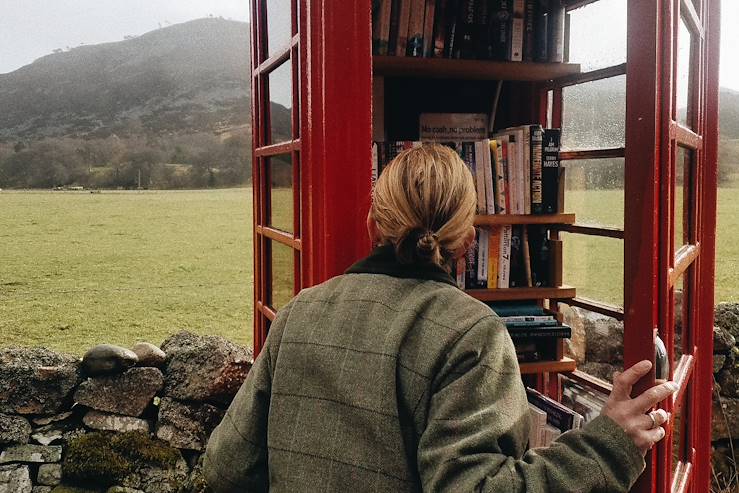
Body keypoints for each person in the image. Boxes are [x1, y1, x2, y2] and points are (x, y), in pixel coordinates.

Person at [203, 143, 677, 492]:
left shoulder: (298, 313)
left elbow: (226, 465)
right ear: (468, 243)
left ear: (373, 225)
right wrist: (607, 445)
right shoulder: (471, 333)